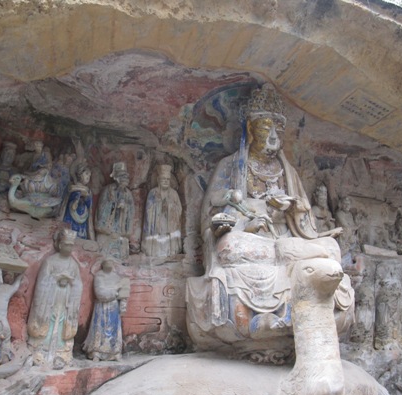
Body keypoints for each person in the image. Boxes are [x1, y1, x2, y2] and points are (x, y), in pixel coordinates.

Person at [188, 83, 347, 349]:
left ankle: (289, 261)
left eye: (278, 130)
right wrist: (248, 223)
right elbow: (213, 214)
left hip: (286, 239)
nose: (273, 136)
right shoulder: (230, 166)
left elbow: (306, 222)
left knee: (331, 248)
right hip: (252, 241)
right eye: (265, 129)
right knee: (229, 246)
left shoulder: (288, 172)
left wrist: (291, 208)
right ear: (251, 131)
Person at [27, 228, 83, 369]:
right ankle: (40, 351)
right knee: (48, 321)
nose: (69, 248)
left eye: (71, 245)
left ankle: (62, 353)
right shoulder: (50, 261)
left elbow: (78, 284)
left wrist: (70, 281)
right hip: (50, 299)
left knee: (62, 323)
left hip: (66, 300)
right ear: (59, 244)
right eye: (66, 244)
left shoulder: (73, 265)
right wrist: (56, 278)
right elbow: (42, 282)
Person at [82, 259, 130, 361]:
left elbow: (123, 292)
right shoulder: (99, 276)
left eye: (111, 262)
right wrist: (115, 290)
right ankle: (96, 352)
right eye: (107, 262)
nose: (109, 264)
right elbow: (100, 293)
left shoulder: (116, 277)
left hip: (114, 307)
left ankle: (115, 352)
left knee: (114, 329)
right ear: (102, 265)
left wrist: (123, 302)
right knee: (99, 328)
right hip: (102, 306)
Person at [95, 162, 135, 261]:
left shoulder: (128, 194)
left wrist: (125, 208)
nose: (125, 179)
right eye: (122, 176)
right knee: (104, 255)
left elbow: (131, 211)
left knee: (122, 249)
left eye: (126, 177)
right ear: (116, 177)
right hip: (107, 231)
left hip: (121, 231)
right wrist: (114, 205)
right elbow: (102, 209)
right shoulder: (108, 190)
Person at [141, 164, 182, 257]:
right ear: (158, 180)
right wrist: (158, 206)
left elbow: (179, 210)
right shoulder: (153, 193)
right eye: (163, 179)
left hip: (169, 225)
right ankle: (154, 253)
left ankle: (171, 253)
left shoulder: (174, 194)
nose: (166, 181)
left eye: (168, 179)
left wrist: (170, 207)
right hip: (156, 225)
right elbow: (148, 210)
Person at [62, 164, 95, 240]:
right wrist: (77, 197)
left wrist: (86, 197)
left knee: (82, 231)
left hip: (83, 214)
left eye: (89, 175)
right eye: (86, 174)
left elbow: (89, 204)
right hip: (71, 213)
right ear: (80, 174)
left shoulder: (88, 190)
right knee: (69, 229)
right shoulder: (72, 187)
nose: (88, 177)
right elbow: (68, 198)